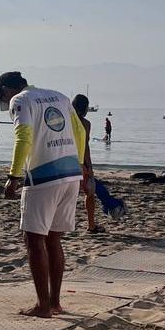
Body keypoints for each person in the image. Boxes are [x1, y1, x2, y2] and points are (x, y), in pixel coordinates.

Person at [0, 71, 86, 319]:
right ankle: (55, 302)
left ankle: (43, 306)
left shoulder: (20, 101)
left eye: (3, 98)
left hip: (43, 177)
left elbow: (23, 136)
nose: (6, 103)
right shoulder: (59, 96)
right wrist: (78, 163)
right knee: (54, 239)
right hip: (70, 174)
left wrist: (14, 176)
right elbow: (80, 132)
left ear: (6, 90)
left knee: (34, 240)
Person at [72, 94, 103, 234]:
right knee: (89, 192)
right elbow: (84, 146)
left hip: (67, 161)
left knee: (80, 193)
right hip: (79, 162)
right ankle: (91, 225)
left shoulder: (67, 121)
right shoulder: (84, 124)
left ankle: (91, 225)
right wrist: (88, 166)